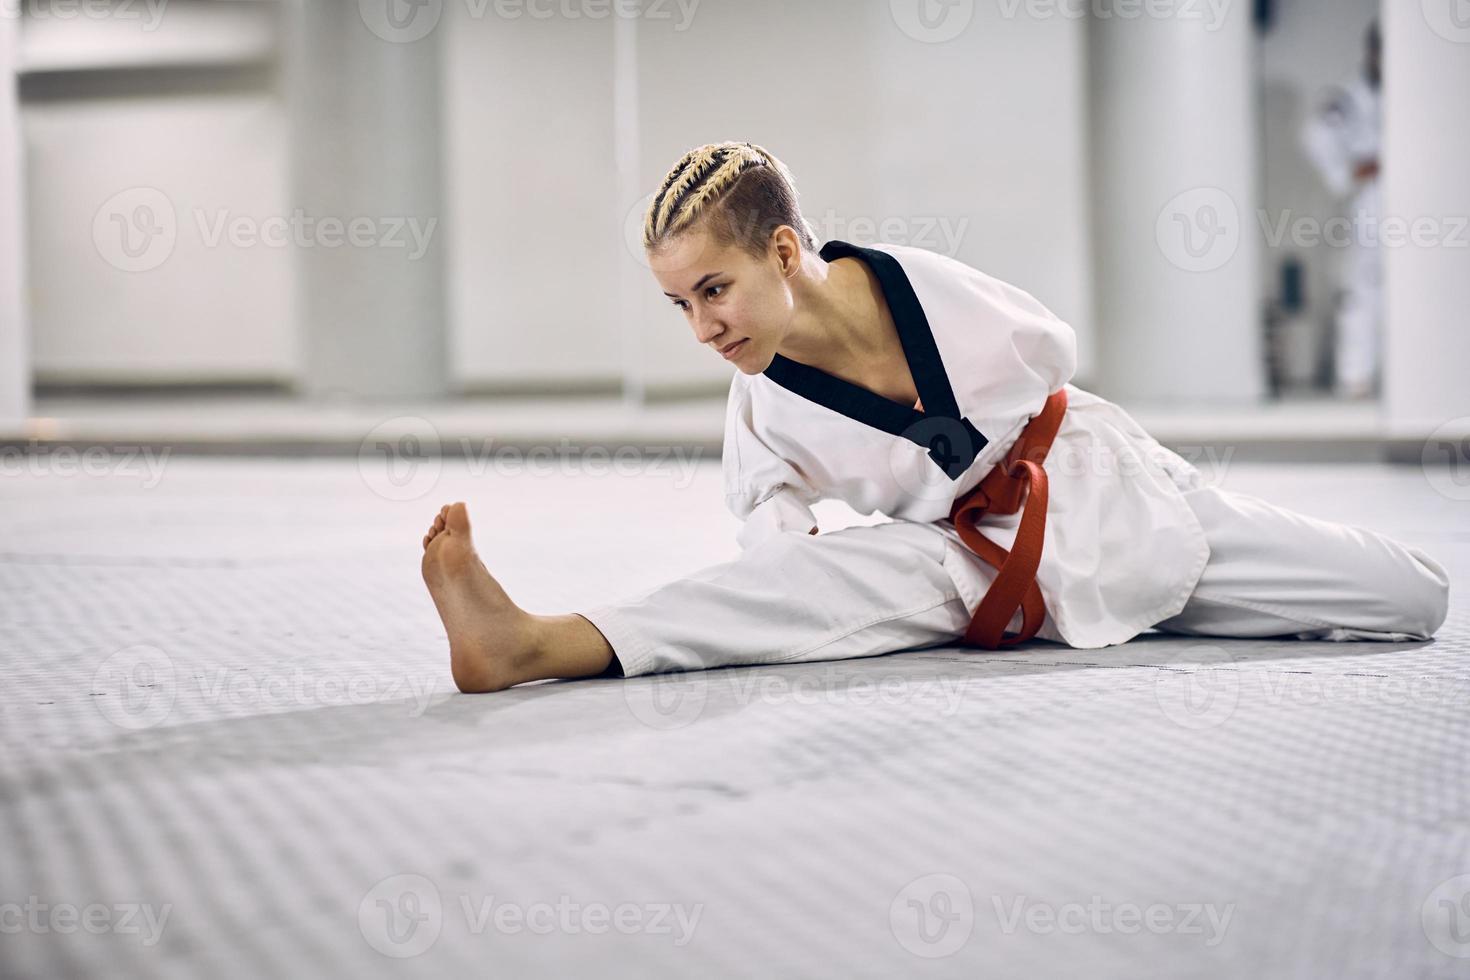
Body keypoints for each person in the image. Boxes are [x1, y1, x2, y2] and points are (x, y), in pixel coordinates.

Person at [420, 141, 1449, 693]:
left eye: (715, 289)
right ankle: (535, 642)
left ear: (785, 251)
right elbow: (770, 544)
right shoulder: (763, 401)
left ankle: (1156, 594)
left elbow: (1052, 367)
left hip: (1099, 497)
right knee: (780, 591)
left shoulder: (922, 283)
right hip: (955, 557)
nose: (703, 326)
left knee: (1409, 594)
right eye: (681, 303)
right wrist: (795, 569)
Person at [1301, 18, 1382, 399]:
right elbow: (1316, 138)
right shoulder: (1347, 101)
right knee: (1361, 291)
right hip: (1371, 204)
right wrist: (1348, 173)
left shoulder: (1423, 93)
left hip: (1421, 209)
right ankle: (1356, 377)